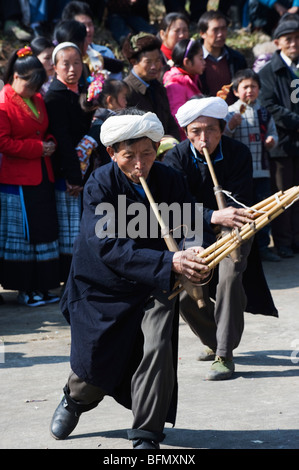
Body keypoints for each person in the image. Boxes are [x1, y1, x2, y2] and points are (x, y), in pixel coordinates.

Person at [49, 108, 211, 448]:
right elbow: (107, 246)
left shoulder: (168, 179)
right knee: (95, 360)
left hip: (157, 279)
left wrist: (192, 250)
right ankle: (75, 399)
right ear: (112, 153)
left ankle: (146, 433)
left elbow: (189, 224)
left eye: (147, 154)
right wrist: (169, 259)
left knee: (157, 347)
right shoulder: (100, 184)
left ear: (157, 148)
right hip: (102, 284)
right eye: (129, 156)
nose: (140, 164)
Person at [163, 96, 278, 380]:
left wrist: (226, 215)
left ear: (222, 128)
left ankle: (224, 354)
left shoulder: (237, 153)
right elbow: (176, 207)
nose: (204, 138)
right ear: (186, 133)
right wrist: (211, 216)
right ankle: (214, 339)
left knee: (229, 275)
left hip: (234, 224)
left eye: (211, 130)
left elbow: (240, 202)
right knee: (188, 285)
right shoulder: (174, 158)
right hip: (193, 225)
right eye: (196, 131)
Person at [0, 46, 60, 306]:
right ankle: (25, 288)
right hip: (18, 180)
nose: (34, 90)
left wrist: (49, 142)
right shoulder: (4, 102)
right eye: (30, 84)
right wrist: (38, 148)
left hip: (41, 174)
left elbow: (44, 129)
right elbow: (3, 142)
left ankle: (43, 286)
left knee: (43, 231)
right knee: (25, 236)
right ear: (16, 77)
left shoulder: (37, 100)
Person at [44, 42, 94, 283]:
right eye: (66, 64)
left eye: (77, 63)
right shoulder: (54, 96)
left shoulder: (84, 91)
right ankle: (72, 277)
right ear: (55, 67)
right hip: (68, 172)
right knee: (70, 228)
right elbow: (62, 139)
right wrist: (74, 176)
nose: (73, 69)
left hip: (85, 171)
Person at [224, 68, 280, 262]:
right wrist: (231, 125)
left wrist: (272, 140)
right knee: (243, 209)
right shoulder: (230, 112)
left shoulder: (264, 112)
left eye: (253, 86)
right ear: (236, 91)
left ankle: (263, 246)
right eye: (245, 87)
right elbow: (223, 137)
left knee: (262, 208)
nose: (250, 90)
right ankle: (246, 247)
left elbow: (273, 132)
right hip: (240, 173)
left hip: (261, 169)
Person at [258, 14, 299, 257]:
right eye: (288, 39)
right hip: (281, 145)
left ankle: (296, 239)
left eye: (297, 38)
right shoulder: (268, 73)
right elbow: (270, 106)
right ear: (277, 43)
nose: (294, 43)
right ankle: (283, 242)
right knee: (284, 196)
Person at [122, 32, 181, 141]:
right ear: (134, 62)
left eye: (157, 60)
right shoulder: (125, 91)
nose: (154, 67)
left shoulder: (158, 87)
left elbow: (170, 123)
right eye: (148, 62)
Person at [78, 78, 129, 181]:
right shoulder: (100, 126)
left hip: (113, 179)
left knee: (122, 196)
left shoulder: (109, 122)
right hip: (107, 180)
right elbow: (82, 150)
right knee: (120, 196)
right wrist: (79, 178)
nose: (126, 102)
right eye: (123, 97)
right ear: (110, 100)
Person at [61, 1, 123, 80]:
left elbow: (116, 86)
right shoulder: (60, 56)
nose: (88, 30)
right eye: (82, 26)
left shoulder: (104, 53)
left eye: (90, 25)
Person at [197, 10, 247, 105]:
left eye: (223, 29)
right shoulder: (192, 60)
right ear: (203, 33)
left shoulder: (237, 59)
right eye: (215, 30)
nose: (220, 34)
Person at [163, 38, 205, 140]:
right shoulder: (176, 84)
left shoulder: (192, 78)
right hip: (185, 140)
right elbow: (178, 118)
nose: (204, 62)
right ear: (187, 62)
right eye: (200, 58)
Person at [158, 12, 190, 80]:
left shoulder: (191, 55)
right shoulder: (158, 58)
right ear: (162, 34)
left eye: (185, 30)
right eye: (177, 31)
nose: (182, 35)